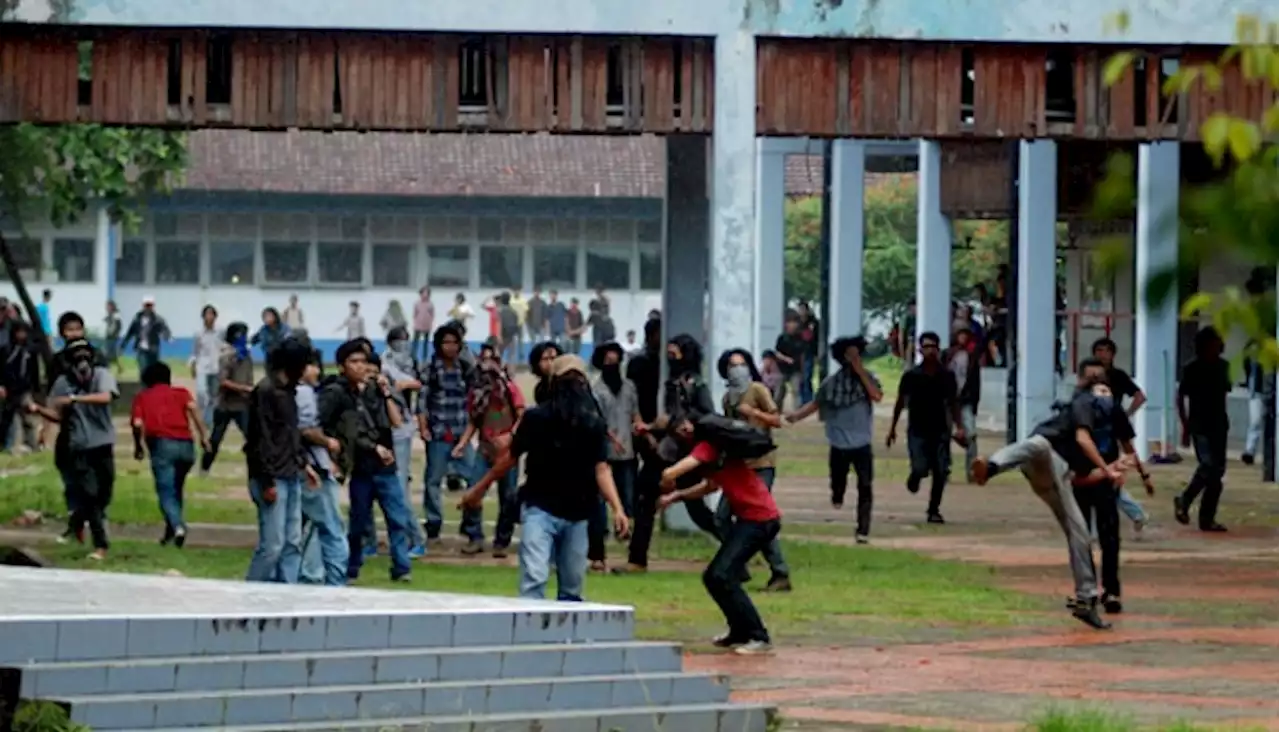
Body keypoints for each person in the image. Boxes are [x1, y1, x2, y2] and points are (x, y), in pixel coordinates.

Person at [461, 354, 628, 600]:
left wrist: (617, 508)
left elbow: (601, 468)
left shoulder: (589, 423)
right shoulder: (540, 419)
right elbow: (510, 458)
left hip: (572, 512)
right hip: (544, 509)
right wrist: (479, 488)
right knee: (538, 579)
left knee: (566, 586)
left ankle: (562, 636)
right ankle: (532, 634)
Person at [970, 358, 1118, 630]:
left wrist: (1108, 471)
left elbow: (1081, 477)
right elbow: (1083, 440)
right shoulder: (1084, 404)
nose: (1106, 393)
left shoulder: (1102, 428)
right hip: (1046, 459)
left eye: (1108, 389)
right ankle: (990, 468)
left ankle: (1086, 599)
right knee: (1036, 445)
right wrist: (1107, 470)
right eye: (1101, 389)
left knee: (1080, 533)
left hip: (1055, 477)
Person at [658, 415, 781, 655]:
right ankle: (739, 631)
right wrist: (677, 497)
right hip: (753, 518)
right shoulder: (719, 455)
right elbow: (709, 487)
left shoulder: (708, 447)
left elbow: (674, 471)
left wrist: (666, 481)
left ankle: (758, 636)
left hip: (760, 519)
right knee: (715, 578)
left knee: (721, 575)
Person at [321, 342, 414, 583]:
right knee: (358, 522)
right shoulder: (343, 394)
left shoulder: (379, 391)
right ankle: (352, 566)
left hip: (386, 468)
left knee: (397, 518)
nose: (365, 370)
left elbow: (397, 422)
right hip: (362, 467)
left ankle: (401, 567)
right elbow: (350, 430)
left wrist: (386, 394)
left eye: (368, 366)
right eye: (358, 363)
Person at [787, 336, 882, 543]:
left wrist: (861, 373)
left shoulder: (869, 379)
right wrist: (795, 416)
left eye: (857, 355)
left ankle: (863, 529)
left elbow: (876, 395)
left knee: (865, 485)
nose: (854, 359)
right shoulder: (831, 383)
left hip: (862, 442)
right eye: (850, 356)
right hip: (839, 442)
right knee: (838, 478)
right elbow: (816, 404)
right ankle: (837, 494)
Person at [32, 339, 119, 561]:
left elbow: (106, 397)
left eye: (85, 354)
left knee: (104, 493)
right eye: (76, 355)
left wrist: (74, 399)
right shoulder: (62, 382)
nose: (82, 360)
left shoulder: (102, 375)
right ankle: (100, 545)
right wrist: (39, 410)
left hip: (103, 442)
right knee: (89, 495)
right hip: (79, 445)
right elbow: (57, 414)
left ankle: (77, 521)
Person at [245, 339, 316, 583]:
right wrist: (266, 481)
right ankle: (251, 593)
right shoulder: (266, 392)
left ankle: (287, 593)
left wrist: (304, 465)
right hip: (272, 476)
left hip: (291, 474)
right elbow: (258, 440)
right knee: (272, 545)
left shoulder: (289, 392)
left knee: (292, 542)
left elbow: (291, 435)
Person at [718, 348, 790, 591]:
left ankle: (779, 571)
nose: (737, 369)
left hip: (761, 464)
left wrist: (754, 413)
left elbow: (777, 420)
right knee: (721, 517)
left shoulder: (757, 390)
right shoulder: (728, 398)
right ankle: (737, 564)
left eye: (741, 364)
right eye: (731, 365)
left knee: (760, 518)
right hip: (738, 466)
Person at [887, 331, 964, 524]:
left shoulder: (947, 376)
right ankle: (915, 477)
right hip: (918, 430)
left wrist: (959, 426)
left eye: (933, 347)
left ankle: (933, 509)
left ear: (938, 350)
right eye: (926, 346)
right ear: (920, 350)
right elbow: (900, 402)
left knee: (941, 470)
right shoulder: (911, 376)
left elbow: (953, 402)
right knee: (921, 467)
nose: (930, 351)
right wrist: (892, 428)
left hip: (940, 430)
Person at [131, 361, 208, 548]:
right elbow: (193, 410)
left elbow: (138, 423)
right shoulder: (181, 393)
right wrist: (204, 436)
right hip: (186, 446)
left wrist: (138, 446)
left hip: (162, 446)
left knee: (166, 492)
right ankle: (169, 533)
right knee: (176, 490)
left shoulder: (142, 397)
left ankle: (178, 526)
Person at [612, 318, 668, 575]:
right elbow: (635, 399)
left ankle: (637, 556)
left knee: (644, 493)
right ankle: (636, 554)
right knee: (641, 492)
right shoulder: (642, 363)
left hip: (660, 436)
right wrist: (644, 429)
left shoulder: (666, 366)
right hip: (646, 431)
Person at [456, 350, 525, 557]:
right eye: (483, 360)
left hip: (508, 452)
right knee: (474, 490)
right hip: (484, 450)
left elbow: (522, 415)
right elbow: (473, 421)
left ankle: (501, 541)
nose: (487, 366)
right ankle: (474, 536)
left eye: (491, 360)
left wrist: (510, 436)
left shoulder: (511, 389)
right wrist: (462, 443)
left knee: (509, 497)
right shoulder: (477, 394)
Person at [417, 323, 476, 545]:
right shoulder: (431, 368)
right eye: (446, 342)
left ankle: (470, 526)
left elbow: (473, 401)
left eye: (454, 342)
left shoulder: (465, 367)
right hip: (439, 433)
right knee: (433, 480)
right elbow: (422, 402)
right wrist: (423, 428)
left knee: (473, 478)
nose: (450, 347)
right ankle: (433, 525)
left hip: (461, 432)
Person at [296, 348, 350, 587]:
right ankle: (330, 579)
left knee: (308, 527)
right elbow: (305, 430)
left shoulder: (293, 393)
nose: (317, 371)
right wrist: (329, 443)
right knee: (331, 527)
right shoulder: (305, 393)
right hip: (314, 468)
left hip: (308, 466)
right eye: (312, 365)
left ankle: (307, 574)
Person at [589, 342, 641, 572]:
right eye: (608, 361)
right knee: (599, 505)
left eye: (616, 361)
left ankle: (627, 542)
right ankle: (598, 554)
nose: (613, 365)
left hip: (628, 453)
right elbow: (596, 421)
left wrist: (639, 427)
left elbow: (635, 413)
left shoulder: (630, 387)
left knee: (628, 501)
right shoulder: (596, 390)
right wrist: (612, 439)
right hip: (604, 455)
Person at [1090, 337, 1150, 533]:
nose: (1102, 354)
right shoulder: (1090, 375)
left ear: (1113, 354)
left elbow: (1140, 396)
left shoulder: (1118, 376)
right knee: (1098, 477)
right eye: (1098, 350)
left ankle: (1134, 513)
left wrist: (1126, 414)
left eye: (1106, 351)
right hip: (1092, 427)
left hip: (1111, 428)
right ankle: (1135, 513)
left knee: (1105, 477)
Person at [1174, 327, 1231, 532]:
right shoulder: (1192, 368)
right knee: (1207, 465)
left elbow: (1223, 395)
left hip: (1219, 424)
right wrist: (1184, 425)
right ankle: (1185, 499)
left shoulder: (1224, 366)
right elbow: (1181, 397)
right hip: (1199, 425)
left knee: (1217, 474)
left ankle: (1207, 518)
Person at [381, 327, 427, 558]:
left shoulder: (409, 362)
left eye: (406, 341)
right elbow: (404, 383)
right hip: (387, 431)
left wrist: (407, 383)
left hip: (401, 430)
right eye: (400, 341)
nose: (404, 346)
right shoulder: (385, 362)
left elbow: (414, 384)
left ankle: (415, 537)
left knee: (398, 488)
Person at [200, 322, 254, 474]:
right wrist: (244, 388)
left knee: (253, 438)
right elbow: (223, 381)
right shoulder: (226, 355)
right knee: (216, 439)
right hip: (225, 405)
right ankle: (204, 468)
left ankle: (257, 469)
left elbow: (248, 378)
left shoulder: (247, 356)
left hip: (242, 405)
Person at [947, 326, 982, 482]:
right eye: (960, 335)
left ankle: (972, 471)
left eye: (965, 336)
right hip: (948, 401)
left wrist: (974, 403)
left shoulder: (972, 358)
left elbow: (976, 384)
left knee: (971, 436)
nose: (963, 338)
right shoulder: (947, 355)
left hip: (965, 401)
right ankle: (944, 470)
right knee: (943, 436)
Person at [0, 321, 39, 453]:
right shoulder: (6, 349)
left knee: (28, 417)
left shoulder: (30, 350)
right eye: (19, 332)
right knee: (9, 418)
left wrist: (35, 388)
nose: (21, 335)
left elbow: (34, 371)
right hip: (9, 388)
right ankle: (9, 445)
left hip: (24, 389)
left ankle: (33, 445)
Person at [191, 305, 223, 428]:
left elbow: (224, 346)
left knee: (214, 395)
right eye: (207, 314)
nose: (209, 317)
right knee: (201, 392)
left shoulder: (221, 331)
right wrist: (193, 365)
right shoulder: (198, 333)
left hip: (216, 366)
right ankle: (202, 417)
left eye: (211, 314)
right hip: (202, 366)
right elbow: (195, 351)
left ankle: (208, 421)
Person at [122, 296, 171, 374]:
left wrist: (167, 336)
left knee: (154, 370)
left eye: (150, 305)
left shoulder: (157, 319)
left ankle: (152, 385)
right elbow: (130, 332)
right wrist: (123, 344)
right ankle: (144, 384)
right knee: (143, 369)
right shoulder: (137, 319)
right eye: (146, 305)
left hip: (153, 348)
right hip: (141, 348)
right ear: (143, 306)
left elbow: (165, 329)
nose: (148, 308)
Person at [773, 316, 806, 410]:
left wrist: (803, 370)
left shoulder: (800, 339)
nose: (792, 325)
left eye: (794, 323)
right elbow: (777, 353)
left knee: (796, 390)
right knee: (779, 391)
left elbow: (802, 355)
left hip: (795, 369)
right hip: (782, 368)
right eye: (790, 322)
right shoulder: (782, 338)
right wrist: (786, 359)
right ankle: (776, 410)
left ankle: (797, 411)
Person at [795, 301, 819, 405]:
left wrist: (816, 353)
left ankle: (809, 400)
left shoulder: (813, 323)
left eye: (803, 309)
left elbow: (816, 339)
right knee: (799, 377)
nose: (801, 312)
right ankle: (801, 400)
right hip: (798, 354)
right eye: (799, 309)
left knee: (808, 376)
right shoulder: (796, 323)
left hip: (809, 352)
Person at [529, 340, 563, 405]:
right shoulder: (540, 389)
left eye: (553, 358)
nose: (550, 363)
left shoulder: (568, 384)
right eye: (545, 359)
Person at [412, 287, 435, 362]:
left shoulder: (430, 304)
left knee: (425, 342)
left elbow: (432, 315)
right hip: (418, 325)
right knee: (415, 341)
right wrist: (416, 322)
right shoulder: (417, 304)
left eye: (427, 294)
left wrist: (430, 323)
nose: (425, 295)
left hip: (426, 326)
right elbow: (415, 314)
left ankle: (424, 358)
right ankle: (413, 356)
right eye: (423, 294)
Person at [497, 293, 521, 365]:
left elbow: (499, 324)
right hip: (512, 335)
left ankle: (500, 370)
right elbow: (517, 323)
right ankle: (511, 372)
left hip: (503, 335)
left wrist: (499, 336)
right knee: (511, 356)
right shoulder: (514, 311)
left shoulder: (500, 311)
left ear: (501, 300)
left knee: (499, 354)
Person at [102, 301, 122, 372]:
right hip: (109, 337)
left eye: (108, 306)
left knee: (109, 353)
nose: (107, 308)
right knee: (110, 354)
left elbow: (118, 326)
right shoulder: (110, 315)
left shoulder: (116, 315)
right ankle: (117, 367)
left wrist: (114, 334)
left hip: (113, 337)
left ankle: (113, 367)